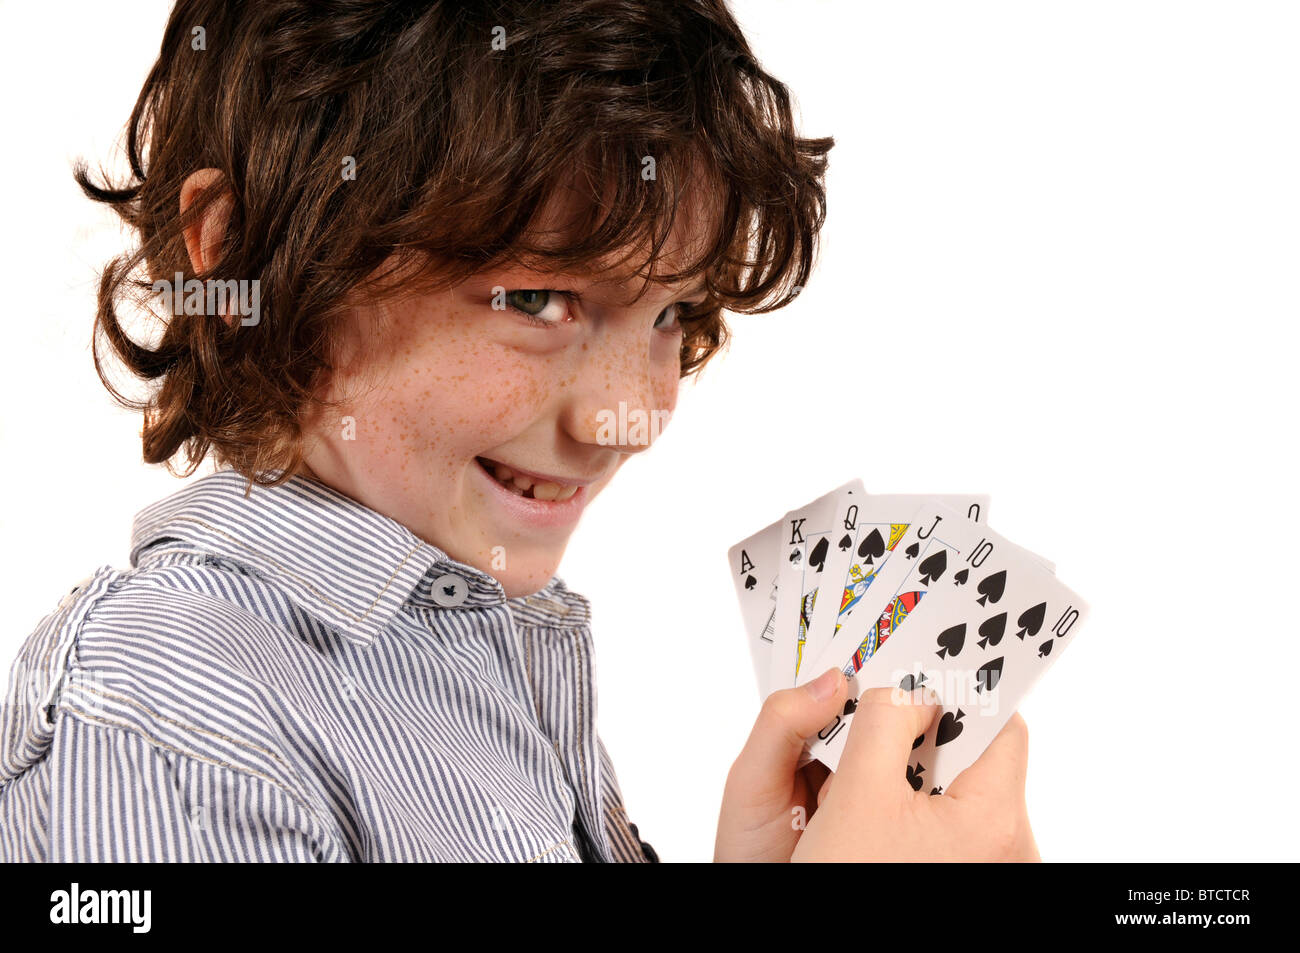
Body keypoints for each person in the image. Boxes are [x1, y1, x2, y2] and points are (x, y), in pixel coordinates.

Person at [0, 0, 1037, 862]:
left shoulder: (471, 631)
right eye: (535, 300)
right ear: (239, 258)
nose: (622, 415)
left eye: (671, 313)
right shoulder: (171, 713)